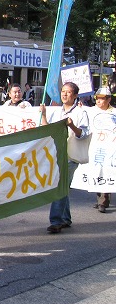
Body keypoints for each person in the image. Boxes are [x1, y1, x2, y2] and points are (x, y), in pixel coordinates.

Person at [40, 81, 89, 234]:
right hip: (57, 154)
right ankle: (65, 218)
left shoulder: (80, 112)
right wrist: (43, 114)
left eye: (68, 92)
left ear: (75, 95)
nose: (64, 94)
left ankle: (56, 221)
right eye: (63, 91)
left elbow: (83, 134)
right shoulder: (57, 112)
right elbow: (47, 129)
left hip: (71, 156)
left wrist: (72, 125)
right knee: (63, 186)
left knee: (59, 185)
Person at [90, 87, 113, 213]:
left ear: (108, 99)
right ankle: (99, 198)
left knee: (107, 172)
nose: (99, 101)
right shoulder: (91, 111)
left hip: (109, 148)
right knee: (96, 172)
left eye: (102, 99)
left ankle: (103, 201)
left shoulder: (114, 113)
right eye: (97, 98)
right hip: (95, 147)